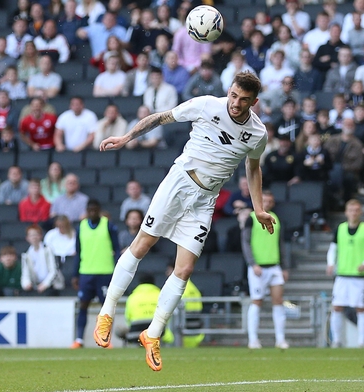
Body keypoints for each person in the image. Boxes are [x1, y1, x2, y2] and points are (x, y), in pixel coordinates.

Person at [93, 72, 273, 371]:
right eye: (233, 96)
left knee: (185, 268)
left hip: (205, 201)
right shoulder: (206, 105)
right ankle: (107, 311)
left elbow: (252, 169)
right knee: (142, 245)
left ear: (254, 102)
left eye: (243, 100)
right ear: (229, 91)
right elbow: (160, 118)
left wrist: (259, 207)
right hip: (179, 183)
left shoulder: (257, 134)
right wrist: (126, 138)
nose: (235, 104)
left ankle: (152, 335)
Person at [242, 190, 288, 349]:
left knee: (278, 301)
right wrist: (253, 263)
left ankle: (280, 339)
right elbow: (246, 242)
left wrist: (284, 266)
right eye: (264, 201)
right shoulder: (251, 218)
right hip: (258, 268)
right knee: (257, 301)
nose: (267, 203)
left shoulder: (276, 218)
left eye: (269, 201)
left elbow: (281, 244)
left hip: (274, 265)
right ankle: (253, 339)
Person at [71, 199, 119, 348]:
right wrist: (75, 274)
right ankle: (79, 339)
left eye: (94, 209)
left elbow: (116, 249)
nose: (92, 212)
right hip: (86, 273)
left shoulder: (109, 226)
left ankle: (106, 339)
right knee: (83, 305)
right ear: (86, 211)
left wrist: (118, 270)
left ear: (98, 210)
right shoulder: (81, 227)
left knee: (106, 308)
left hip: (105, 272)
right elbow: (78, 252)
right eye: (89, 210)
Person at [327, 199, 364, 347]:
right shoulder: (340, 228)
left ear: (360, 212)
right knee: (337, 307)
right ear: (346, 212)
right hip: (342, 275)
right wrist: (330, 263)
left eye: (356, 210)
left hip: (359, 277)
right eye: (351, 210)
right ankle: (337, 340)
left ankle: (361, 342)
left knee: (360, 308)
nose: (353, 213)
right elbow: (333, 248)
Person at [20, 224, 63, 297]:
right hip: (36, 286)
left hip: (53, 286)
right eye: (31, 235)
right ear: (27, 238)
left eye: (36, 234)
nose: (34, 237)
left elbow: (54, 270)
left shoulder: (48, 250)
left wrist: (45, 284)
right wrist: (26, 284)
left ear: (40, 236)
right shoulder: (25, 254)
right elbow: (25, 273)